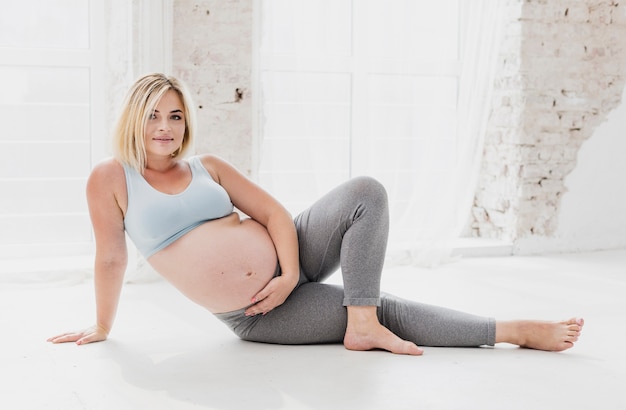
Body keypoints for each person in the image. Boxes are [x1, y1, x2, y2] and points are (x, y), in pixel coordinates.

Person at [48, 73, 584, 355]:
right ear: (132, 119)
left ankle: (362, 321)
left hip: (291, 261)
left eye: (175, 115)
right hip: (258, 312)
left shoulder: (207, 165)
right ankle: (512, 329)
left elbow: (278, 215)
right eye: (152, 116)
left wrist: (285, 273)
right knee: (383, 308)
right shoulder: (111, 177)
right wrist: (100, 325)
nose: (164, 127)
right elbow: (111, 258)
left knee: (365, 192)